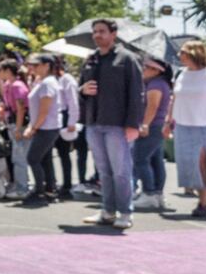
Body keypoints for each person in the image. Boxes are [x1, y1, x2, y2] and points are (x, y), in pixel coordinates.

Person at [80, 19, 144, 230]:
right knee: (103, 171)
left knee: (121, 171)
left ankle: (125, 212)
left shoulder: (127, 58)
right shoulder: (91, 59)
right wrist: (82, 90)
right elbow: (81, 88)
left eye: (102, 31)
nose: (97, 35)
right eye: (95, 32)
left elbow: (137, 94)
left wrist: (133, 124)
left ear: (113, 34)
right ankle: (107, 210)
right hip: (94, 122)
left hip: (118, 124)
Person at [164, 41, 206, 218]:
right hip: (183, 124)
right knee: (188, 162)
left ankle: (202, 203)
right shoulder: (179, 73)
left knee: (203, 162)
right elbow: (174, 99)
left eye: (183, 52)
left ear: (195, 53)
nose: (180, 55)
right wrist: (167, 121)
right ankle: (205, 195)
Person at [22, 54, 62, 204]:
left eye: (37, 65)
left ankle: (39, 192)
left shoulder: (48, 83)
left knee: (33, 158)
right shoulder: (43, 82)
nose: (33, 67)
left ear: (47, 65)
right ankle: (50, 190)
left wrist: (33, 128)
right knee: (44, 159)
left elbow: (44, 111)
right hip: (45, 126)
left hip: (46, 127)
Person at [132, 58, 172, 210]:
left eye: (147, 67)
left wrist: (145, 124)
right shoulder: (160, 83)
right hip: (157, 126)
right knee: (156, 161)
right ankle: (157, 195)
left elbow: (152, 106)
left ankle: (149, 194)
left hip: (152, 126)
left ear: (157, 70)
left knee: (140, 159)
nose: (143, 69)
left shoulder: (155, 85)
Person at [0, 59, 31, 199]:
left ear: (7, 71)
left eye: (1, 70)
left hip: (20, 125)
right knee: (16, 157)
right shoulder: (8, 85)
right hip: (12, 123)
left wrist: (18, 128)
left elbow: (21, 109)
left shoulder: (17, 86)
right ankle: (18, 184)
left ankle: (22, 188)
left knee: (19, 158)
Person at [53, 57, 82, 197]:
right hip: (53, 116)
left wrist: (71, 122)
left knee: (64, 153)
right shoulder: (51, 80)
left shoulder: (67, 79)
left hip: (64, 116)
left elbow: (73, 101)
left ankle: (67, 184)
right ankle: (53, 183)